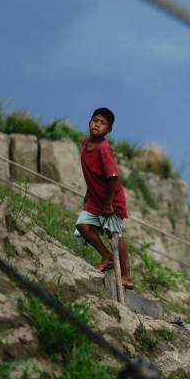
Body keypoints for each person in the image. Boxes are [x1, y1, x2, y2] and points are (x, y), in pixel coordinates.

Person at [74, 107, 133, 290]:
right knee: (82, 226)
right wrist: (88, 192)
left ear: (109, 130)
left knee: (114, 235)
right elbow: (92, 173)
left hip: (111, 200)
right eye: (95, 120)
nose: (97, 124)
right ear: (89, 122)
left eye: (103, 123)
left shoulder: (103, 148)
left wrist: (108, 204)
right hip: (95, 197)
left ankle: (126, 276)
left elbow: (113, 178)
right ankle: (106, 256)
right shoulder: (85, 144)